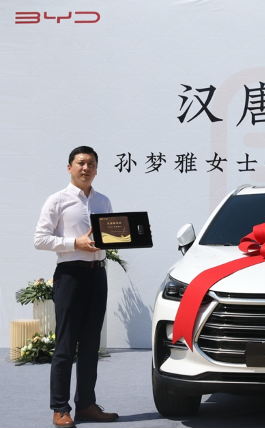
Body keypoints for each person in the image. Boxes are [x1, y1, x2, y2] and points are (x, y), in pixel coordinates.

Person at [34, 146, 119, 428]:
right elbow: (40, 239)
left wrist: (134, 234)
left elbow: (109, 236)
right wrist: (74, 243)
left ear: (96, 169)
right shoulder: (57, 200)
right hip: (70, 275)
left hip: (98, 275)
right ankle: (60, 408)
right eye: (81, 163)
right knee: (66, 344)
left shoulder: (103, 200)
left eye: (91, 164)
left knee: (91, 344)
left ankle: (86, 405)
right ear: (69, 167)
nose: (86, 168)